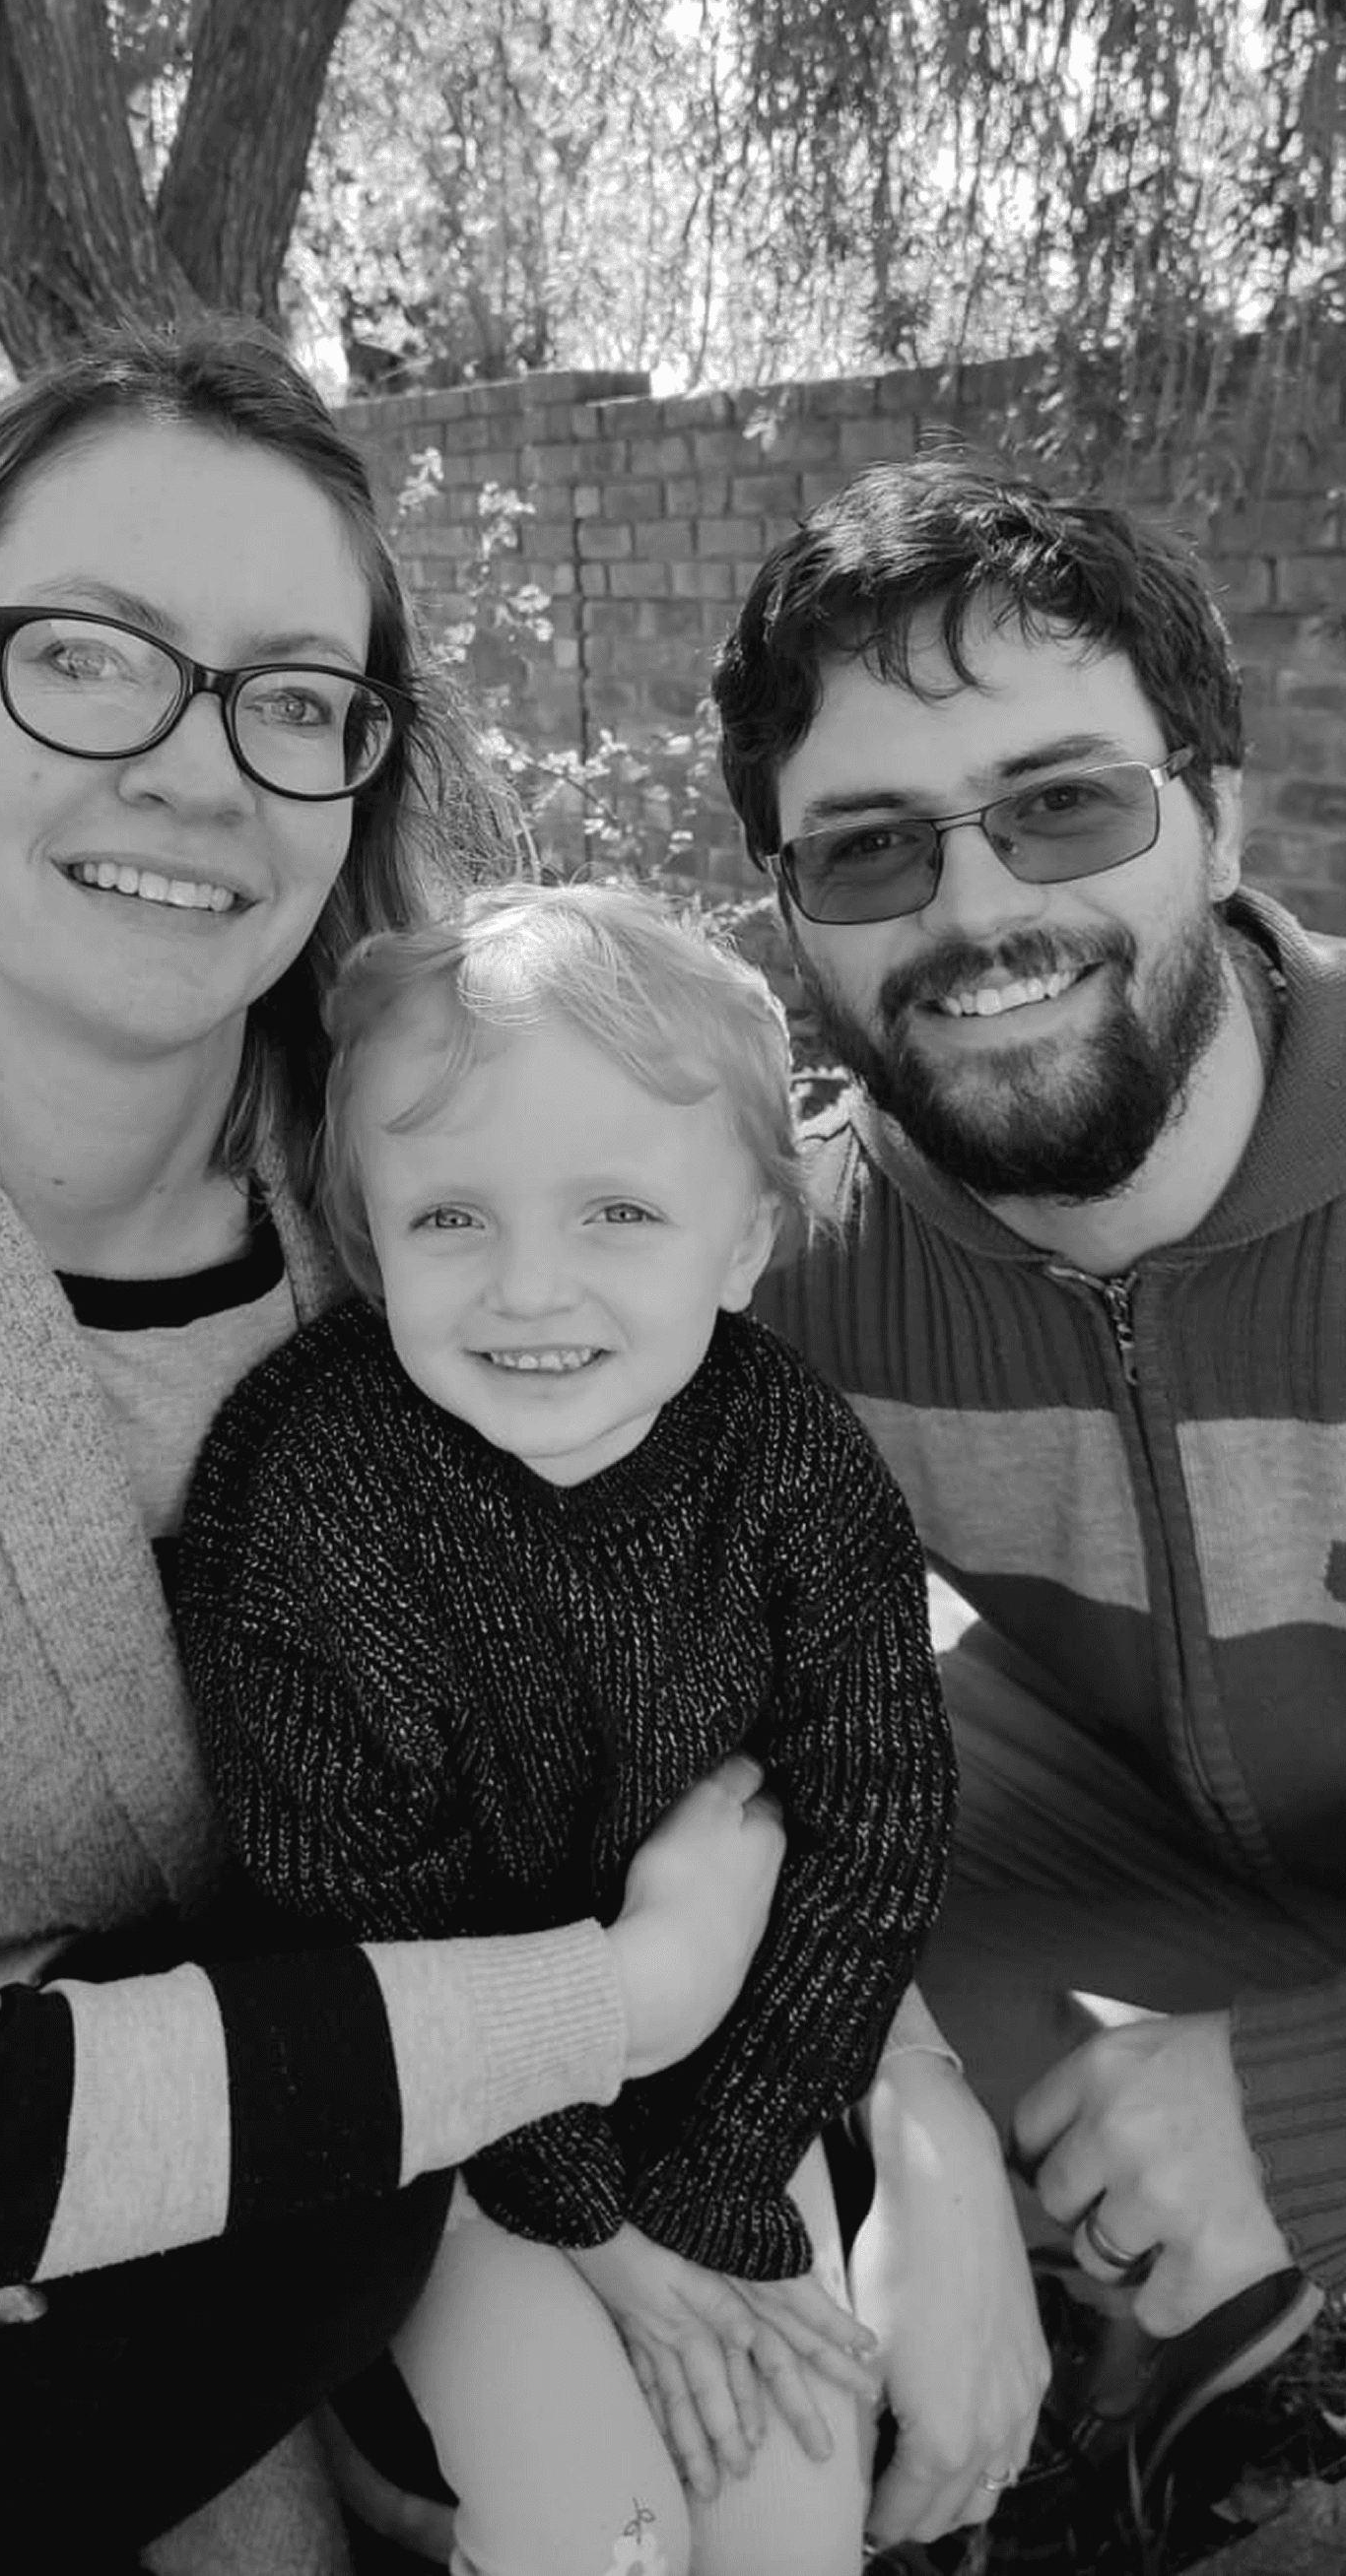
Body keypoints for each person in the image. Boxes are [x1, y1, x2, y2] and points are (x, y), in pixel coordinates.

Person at [0, 328, 805, 2576]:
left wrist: (908, 2139)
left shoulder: (428, 1207)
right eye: (88, 656)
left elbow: (736, 1671)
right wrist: (617, 2004)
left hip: (369, 2087)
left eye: (293, 696)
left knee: (740, 2462)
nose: (201, 771)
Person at [711, 448, 1346, 2575]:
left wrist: (1345, 2105)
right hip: (1160, 1825)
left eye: (1062, 804)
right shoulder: (794, 1268)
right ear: (782, 906)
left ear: (1218, 812)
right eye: (868, 843)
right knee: (748, 2148)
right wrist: (901, 2098)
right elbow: (667, 1734)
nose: (974, 906)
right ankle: (1128, 2398)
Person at [168, 882, 1048, 2576]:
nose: (528, 1288)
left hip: (722, 2081)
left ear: (744, 1243)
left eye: (619, 1213)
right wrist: (604, 2231)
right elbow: (350, 1902)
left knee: (787, 2487)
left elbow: (873, 1818)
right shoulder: (316, 1488)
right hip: (437, 2115)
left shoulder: (787, 1462)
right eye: (449, 1221)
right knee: (598, 2532)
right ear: (363, 1236)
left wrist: (720, 2186)